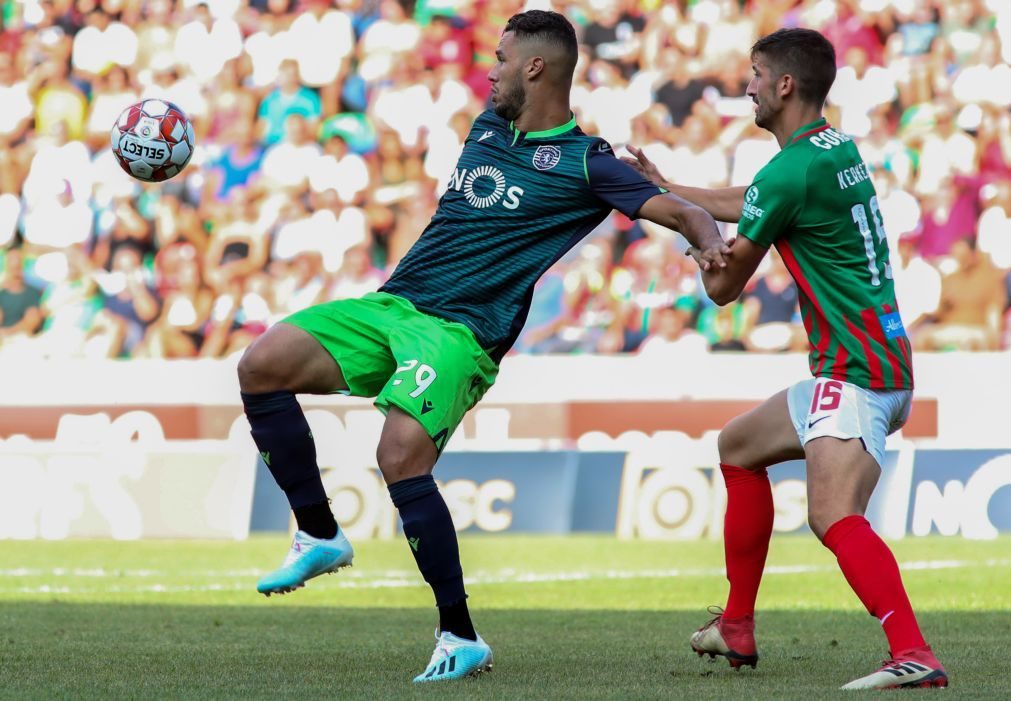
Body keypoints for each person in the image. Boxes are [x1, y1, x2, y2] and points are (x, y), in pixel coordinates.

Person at [237, 9, 728, 684]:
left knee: (398, 454)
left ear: (534, 67)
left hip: (461, 331)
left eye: (500, 59)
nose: (488, 70)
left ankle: (458, 634)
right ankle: (319, 531)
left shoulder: (590, 164)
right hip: (393, 305)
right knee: (260, 364)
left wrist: (708, 246)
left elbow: (682, 211)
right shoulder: (487, 126)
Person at [625, 28, 946, 690]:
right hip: (876, 356)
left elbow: (721, 289)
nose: (744, 86)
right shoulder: (830, 149)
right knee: (738, 445)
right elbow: (758, 198)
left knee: (831, 515)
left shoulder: (788, 172)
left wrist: (689, 234)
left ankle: (913, 651)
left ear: (783, 85)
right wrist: (673, 187)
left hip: (854, 368)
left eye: (753, 73)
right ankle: (735, 625)